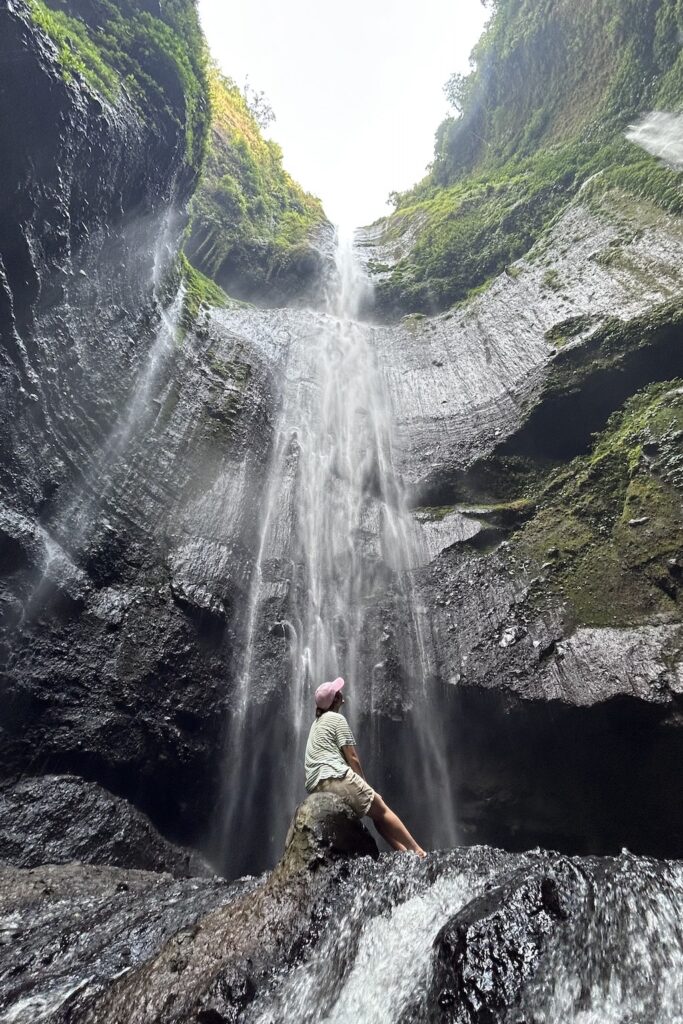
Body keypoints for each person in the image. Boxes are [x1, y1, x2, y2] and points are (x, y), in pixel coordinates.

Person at [304, 676, 426, 857]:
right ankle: (418, 851)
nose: (342, 693)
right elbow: (352, 757)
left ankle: (403, 853)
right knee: (382, 808)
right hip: (335, 777)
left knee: (375, 810)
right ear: (336, 699)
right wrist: (365, 784)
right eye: (338, 692)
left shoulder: (316, 724)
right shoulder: (337, 719)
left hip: (316, 787)